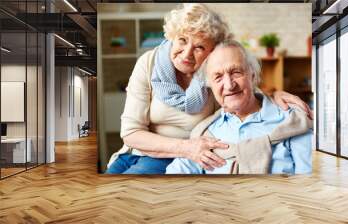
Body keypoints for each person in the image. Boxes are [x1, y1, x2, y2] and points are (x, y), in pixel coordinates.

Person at [105, 3, 312, 174]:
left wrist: (274, 94)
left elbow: (237, 92)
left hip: (164, 160)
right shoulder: (149, 63)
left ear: (211, 53)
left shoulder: (211, 76)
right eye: (183, 41)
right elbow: (131, 132)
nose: (187, 54)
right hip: (134, 151)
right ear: (172, 36)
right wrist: (187, 148)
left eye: (199, 47)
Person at [166, 40, 312, 174]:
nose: (229, 85)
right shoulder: (205, 133)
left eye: (236, 72)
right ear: (210, 86)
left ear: (253, 76)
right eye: (218, 77)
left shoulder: (292, 121)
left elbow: (308, 182)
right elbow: (174, 177)